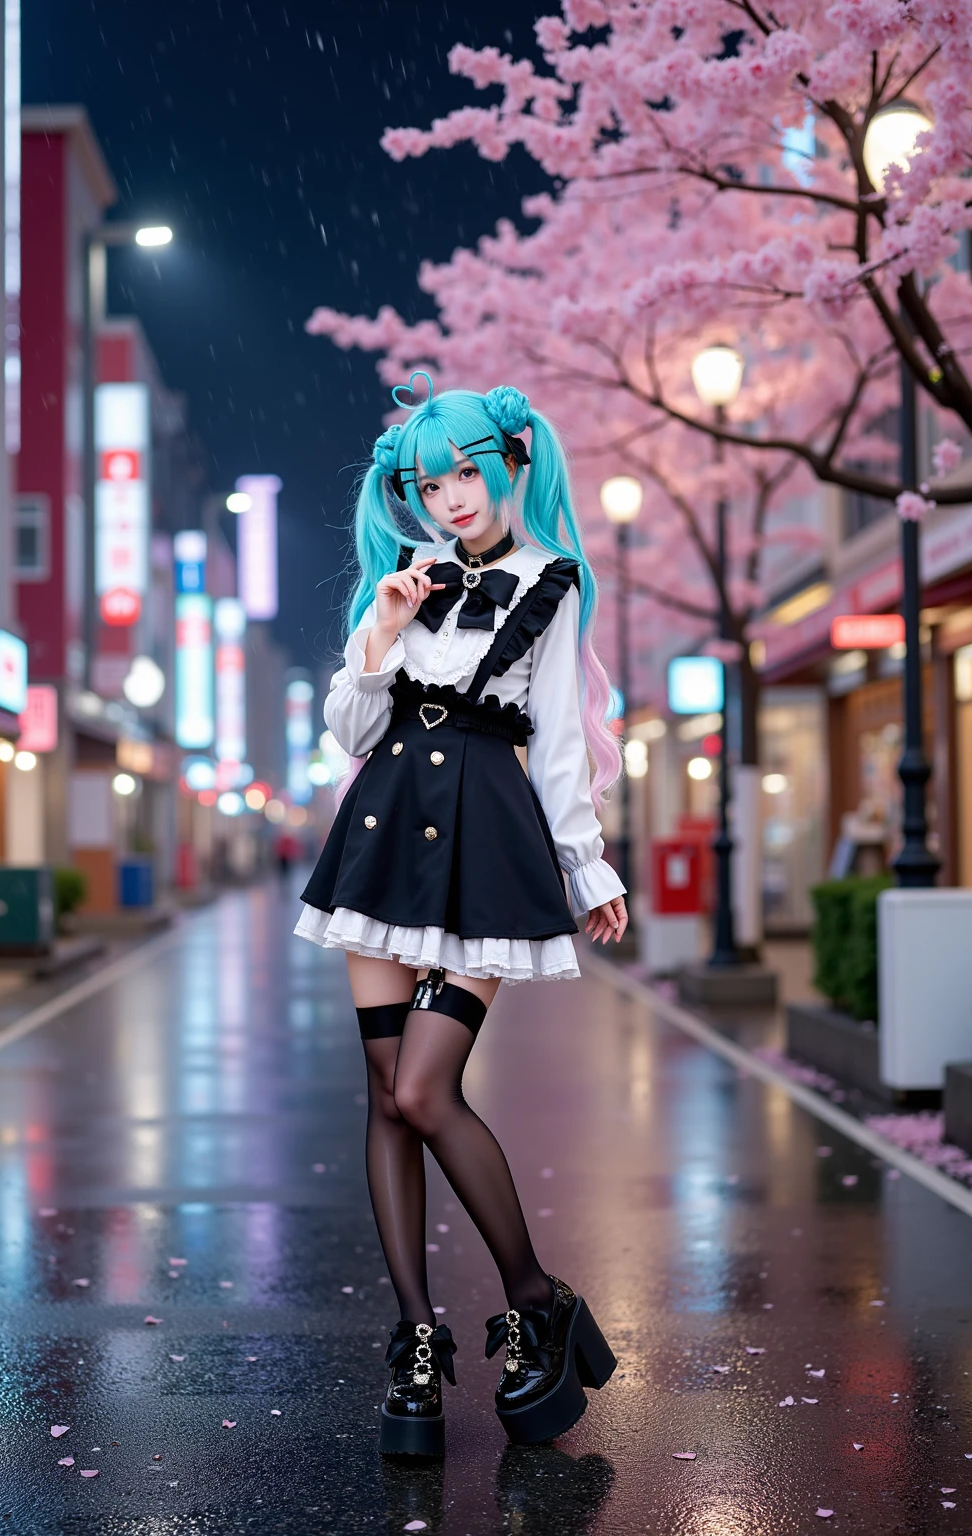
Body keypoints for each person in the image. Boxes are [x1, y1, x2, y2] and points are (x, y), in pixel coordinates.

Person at [295, 374, 628, 1457]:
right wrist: (380, 629)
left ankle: (537, 1299)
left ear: (513, 463)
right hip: (384, 838)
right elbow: (350, 730)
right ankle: (417, 1342)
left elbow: (560, 743)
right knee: (387, 1098)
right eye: (429, 484)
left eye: (464, 476)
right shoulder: (403, 581)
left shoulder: (552, 581)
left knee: (429, 1088)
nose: (449, 499)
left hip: (486, 842)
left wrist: (588, 869)